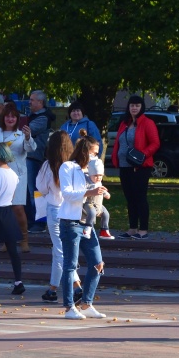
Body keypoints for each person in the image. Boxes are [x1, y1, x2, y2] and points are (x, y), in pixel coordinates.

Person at [58, 135, 107, 320]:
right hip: (70, 222)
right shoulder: (68, 167)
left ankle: (86, 303)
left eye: (97, 154)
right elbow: (67, 194)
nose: (95, 157)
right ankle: (69, 307)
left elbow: (97, 192)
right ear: (85, 151)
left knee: (97, 263)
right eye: (94, 153)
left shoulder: (92, 170)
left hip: (87, 223)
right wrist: (89, 191)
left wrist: (100, 197)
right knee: (70, 265)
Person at [0, 102, 36, 252]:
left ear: (17, 119)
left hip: (16, 175)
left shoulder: (21, 134)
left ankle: (24, 239)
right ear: (3, 118)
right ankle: (7, 239)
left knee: (17, 207)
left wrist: (28, 137)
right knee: (3, 209)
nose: (10, 119)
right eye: (7, 116)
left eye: (13, 117)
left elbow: (31, 148)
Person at [111, 95, 160, 239]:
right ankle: (132, 228)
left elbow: (155, 143)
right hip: (124, 166)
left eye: (137, 106)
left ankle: (143, 229)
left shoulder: (147, 123)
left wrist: (143, 154)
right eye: (132, 105)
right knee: (130, 198)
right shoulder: (124, 123)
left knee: (140, 197)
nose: (134, 108)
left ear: (141, 107)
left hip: (140, 166)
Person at [0, 143, 26, 295]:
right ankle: (18, 281)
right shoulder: (13, 174)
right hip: (8, 211)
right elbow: (12, 196)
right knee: (13, 250)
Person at [35, 131, 72, 303]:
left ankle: (70, 287)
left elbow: (41, 187)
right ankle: (54, 287)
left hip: (54, 208)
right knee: (65, 250)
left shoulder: (48, 165)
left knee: (59, 250)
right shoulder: (73, 166)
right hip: (71, 210)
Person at [23, 90, 53, 232]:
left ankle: (39, 223)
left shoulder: (43, 118)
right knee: (27, 192)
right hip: (27, 157)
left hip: (33, 157)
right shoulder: (33, 116)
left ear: (40, 102)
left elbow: (27, 131)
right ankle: (29, 221)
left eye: (32, 100)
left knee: (35, 191)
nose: (29, 102)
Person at [82, 157, 113, 239]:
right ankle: (87, 227)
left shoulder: (99, 182)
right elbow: (84, 191)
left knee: (106, 214)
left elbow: (102, 190)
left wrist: (106, 194)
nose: (98, 178)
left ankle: (104, 230)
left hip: (98, 204)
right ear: (90, 174)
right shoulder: (87, 182)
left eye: (100, 175)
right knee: (92, 212)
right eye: (96, 175)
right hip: (89, 203)